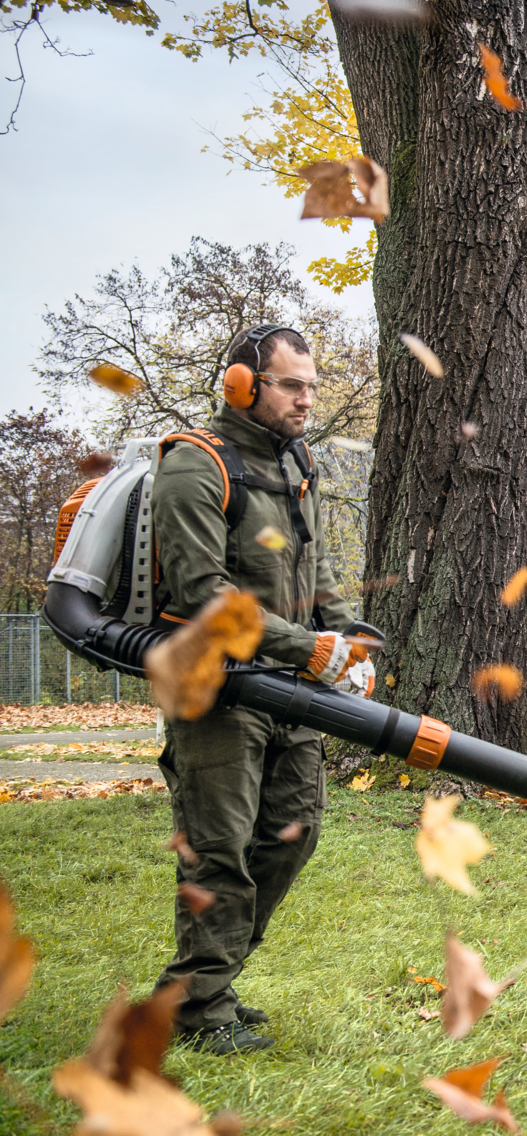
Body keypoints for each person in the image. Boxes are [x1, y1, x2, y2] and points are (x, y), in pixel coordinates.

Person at [151, 323, 370, 1056]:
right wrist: (309, 647)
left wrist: (348, 636)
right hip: (219, 696)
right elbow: (205, 595)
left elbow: (314, 573)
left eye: (312, 384)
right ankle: (200, 1003)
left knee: (292, 833)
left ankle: (204, 984)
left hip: (290, 695)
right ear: (242, 385)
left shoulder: (296, 462)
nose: (307, 399)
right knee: (221, 852)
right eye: (291, 384)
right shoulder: (195, 465)